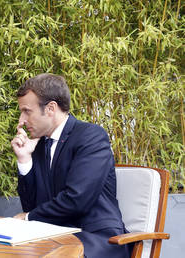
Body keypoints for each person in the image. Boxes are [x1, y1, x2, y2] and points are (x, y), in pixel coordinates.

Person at [11, 73, 131, 257]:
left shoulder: (91, 137)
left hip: (95, 238)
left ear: (51, 108)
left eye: (27, 111)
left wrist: (28, 218)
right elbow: (32, 205)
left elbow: (77, 199)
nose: (21, 120)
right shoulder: (41, 144)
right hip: (54, 237)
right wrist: (24, 159)